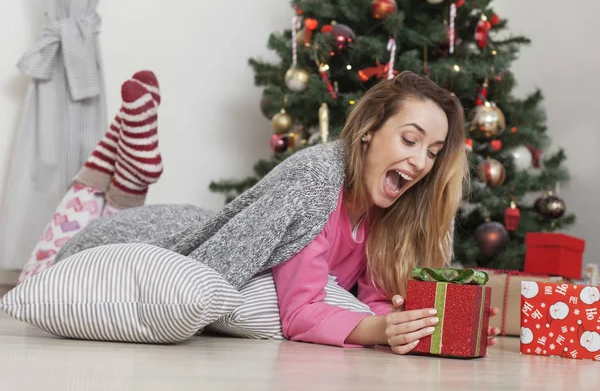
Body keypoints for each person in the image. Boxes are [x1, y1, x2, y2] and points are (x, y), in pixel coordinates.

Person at [21, 70, 500, 354]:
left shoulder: (387, 211)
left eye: (434, 151)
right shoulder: (317, 182)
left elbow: (375, 300)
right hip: (135, 235)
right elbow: (300, 312)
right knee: (61, 241)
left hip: (183, 212)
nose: (420, 162)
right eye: (410, 139)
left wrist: (422, 322)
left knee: (111, 197)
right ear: (370, 130)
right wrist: (378, 330)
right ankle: (127, 159)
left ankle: (127, 168)